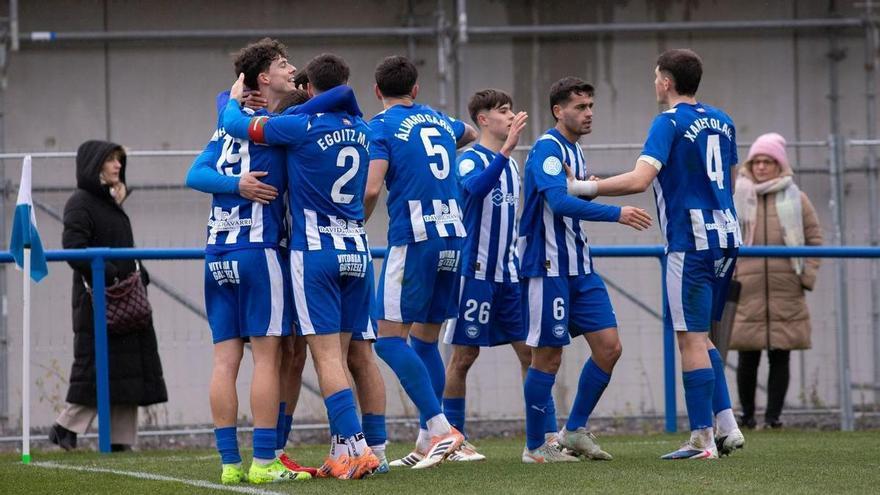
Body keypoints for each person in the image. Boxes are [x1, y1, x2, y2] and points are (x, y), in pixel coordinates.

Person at [222, 53, 381, 480]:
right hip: (358, 251)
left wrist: (229, 100)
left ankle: (357, 450)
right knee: (345, 355)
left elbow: (239, 126)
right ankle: (347, 447)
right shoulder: (363, 131)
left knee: (325, 357)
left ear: (309, 89)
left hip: (315, 253)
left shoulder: (300, 126)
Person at [588, 48, 745, 459]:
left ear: (665, 82)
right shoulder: (723, 121)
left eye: (656, 77)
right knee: (703, 336)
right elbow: (729, 180)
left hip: (690, 240)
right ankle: (727, 426)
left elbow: (641, 179)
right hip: (726, 235)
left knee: (689, 339)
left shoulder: (668, 122)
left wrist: (584, 187)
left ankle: (701, 439)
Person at [185, 38, 312, 485]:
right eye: (283, 64)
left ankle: (228, 465)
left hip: (217, 254)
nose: (292, 68)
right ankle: (263, 461)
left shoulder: (226, 124)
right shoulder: (278, 126)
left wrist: (227, 103)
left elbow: (195, 174)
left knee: (224, 361)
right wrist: (240, 184)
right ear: (263, 78)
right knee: (267, 359)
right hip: (258, 252)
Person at [517, 77, 652, 464]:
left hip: (580, 267)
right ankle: (535, 447)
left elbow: (571, 191)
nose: (588, 113)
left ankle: (573, 431)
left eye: (591, 106)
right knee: (547, 358)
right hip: (548, 266)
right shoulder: (547, 148)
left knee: (610, 348)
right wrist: (617, 213)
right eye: (580, 107)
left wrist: (589, 187)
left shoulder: (574, 153)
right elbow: (557, 203)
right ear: (559, 111)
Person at [364, 55, 478, 470]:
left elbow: (374, 186)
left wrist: (356, 220)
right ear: (415, 90)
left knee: (389, 339)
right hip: (453, 237)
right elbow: (468, 131)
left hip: (415, 239)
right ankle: (431, 437)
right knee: (426, 340)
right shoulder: (438, 120)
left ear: (377, 91)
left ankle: (442, 427)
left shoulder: (379, 127)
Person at [49, 140, 168, 453]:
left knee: (129, 371)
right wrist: (113, 275)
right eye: (111, 160)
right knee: (96, 366)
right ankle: (65, 428)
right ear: (94, 165)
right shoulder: (81, 202)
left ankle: (121, 441)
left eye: (119, 160)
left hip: (126, 299)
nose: (118, 166)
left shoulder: (110, 202)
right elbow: (74, 250)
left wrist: (137, 276)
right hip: (99, 300)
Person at [435, 89, 529, 463]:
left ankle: (542, 437)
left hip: (509, 274)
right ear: (483, 120)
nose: (510, 116)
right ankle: (454, 438)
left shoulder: (515, 166)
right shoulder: (469, 160)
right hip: (473, 273)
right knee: (464, 356)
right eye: (502, 111)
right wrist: (505, 151)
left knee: (532, 353)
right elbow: (474, 189)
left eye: (510, 109)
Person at [730, 132, 823, 429]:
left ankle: (773, 418)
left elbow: (814, 240)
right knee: (747, 355)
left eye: (767, 161)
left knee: (780, 355)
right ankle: (747, 416)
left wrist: (805, 276)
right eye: (756, 161)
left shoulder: (797, 199)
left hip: (786, 288)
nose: (760, 167)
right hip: (748, 288)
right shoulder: (736, 195)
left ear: (779, 164)